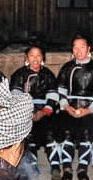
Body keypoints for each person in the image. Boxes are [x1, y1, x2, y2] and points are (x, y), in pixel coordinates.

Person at [53, 32, 93, 180]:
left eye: (82, 47)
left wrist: (89, 109)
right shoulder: (67, 67)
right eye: (75, 47)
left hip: (89, 109)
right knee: (67, 133)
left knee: (86, 134)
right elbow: (61, 89)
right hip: (69, 108)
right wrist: (65, 106)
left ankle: (82, 169)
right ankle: (67, 169)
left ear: (88, 48)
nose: (78, 50)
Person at [9, 44, 59, 172]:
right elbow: (16, 97)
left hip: (45, 111)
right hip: (25, 112)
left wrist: (44, 111)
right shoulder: (19, 74)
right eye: (32, 55)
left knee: (50, 134)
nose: (35, 58)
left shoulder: (48, 75)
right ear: (26, 58)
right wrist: (28, 112)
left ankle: (55, 165)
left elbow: (53, 97)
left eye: (38, 55)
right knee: (28, 135)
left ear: (43, 58)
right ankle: (31, 166)